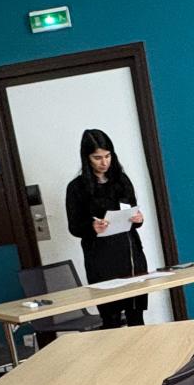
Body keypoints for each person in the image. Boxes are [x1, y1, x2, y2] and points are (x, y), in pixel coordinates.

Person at [65, 127, 151, 327]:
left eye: (107, 156)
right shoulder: (77, 187)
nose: (104, 162)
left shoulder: (121, 180)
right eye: (97, 158)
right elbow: (74, 227)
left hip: (130, 254)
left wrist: (138, 219)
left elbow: (133, 214)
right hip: (101, 258)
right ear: (86, 158)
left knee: (136, 315)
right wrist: (92, 227)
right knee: (110, 318)